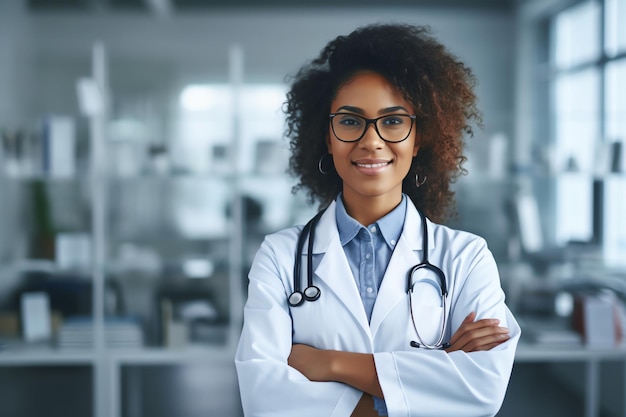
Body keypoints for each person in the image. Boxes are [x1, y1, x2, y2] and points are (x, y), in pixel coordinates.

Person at [235, 23, 520, 417]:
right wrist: (431, 379)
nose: (371, 141)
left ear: (419, 138)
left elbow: (482, 392)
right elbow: (263, 398)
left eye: (393, 121)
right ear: (328, 137)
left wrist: (328, 364)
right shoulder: (281, 256)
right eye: (350, 121)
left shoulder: (466, 257)